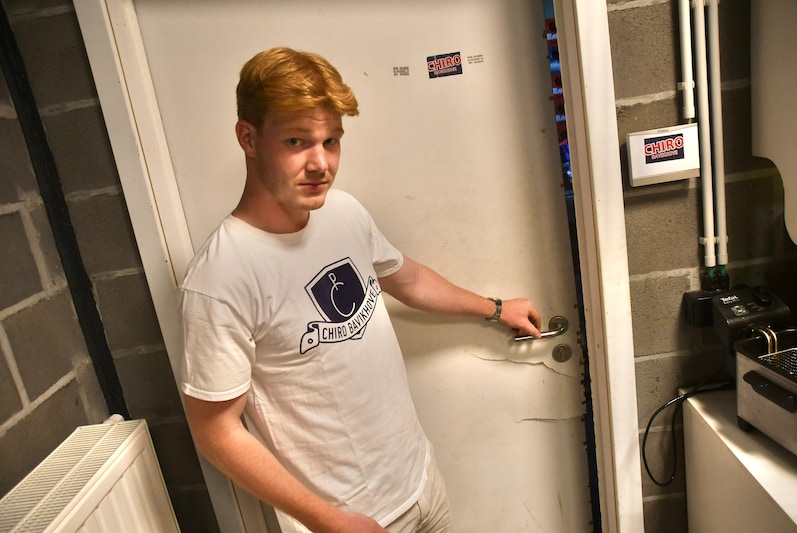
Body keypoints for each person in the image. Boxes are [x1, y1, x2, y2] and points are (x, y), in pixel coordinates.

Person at [179, 47, 542, 533]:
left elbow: (407, 279)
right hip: (348, 520)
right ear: (248, 137)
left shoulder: (343, 211)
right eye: (296, 141)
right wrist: (329, 522)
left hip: (420, 482)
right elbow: (215, 432)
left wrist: (496, 308)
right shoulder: (220, 279)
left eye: (331, 141)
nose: (320, 163)